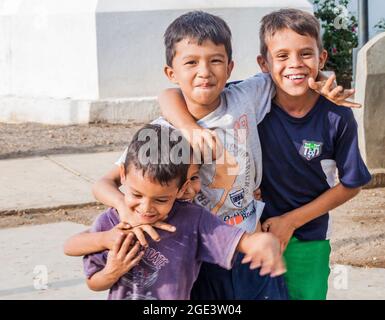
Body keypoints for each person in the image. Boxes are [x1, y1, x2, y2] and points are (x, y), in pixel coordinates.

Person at [159, 9, 370, 300]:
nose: (294, 64)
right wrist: (186, 126)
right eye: (281, 56)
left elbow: (352, 182)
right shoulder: (250, 103)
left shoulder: (336, 115)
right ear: (264, 64)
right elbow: (172, 94)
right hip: (251, 232)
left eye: (306, 54)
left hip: (308, 236)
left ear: (321, 59)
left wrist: (291, 221)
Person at [80, 124, 285, 300]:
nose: (146, 208)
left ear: (181, 189)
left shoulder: (193, 219)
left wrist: (261, 242)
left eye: (161, 199)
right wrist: (112, 270)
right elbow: (90, 275)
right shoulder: (113, 220)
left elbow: (235, 240)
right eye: (137, 195)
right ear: (123, 175)